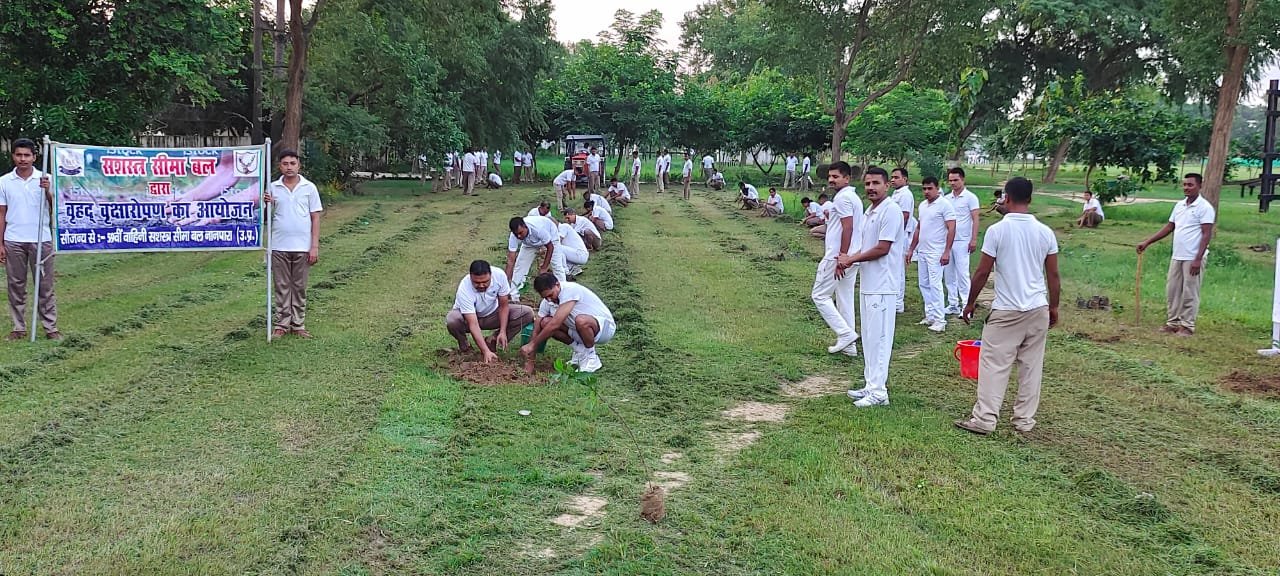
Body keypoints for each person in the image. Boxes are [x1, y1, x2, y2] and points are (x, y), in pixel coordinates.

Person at [954, 177, 1060, 435]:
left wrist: (970, 303)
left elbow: (982, 272)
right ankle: (1024, 421)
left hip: (1006, 310)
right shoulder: (1045, 232)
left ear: (1006, 198)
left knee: (994, 364)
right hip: (1038, 308)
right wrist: (1053, 307)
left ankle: (985, 419)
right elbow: (1053, 275)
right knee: (1031, 367)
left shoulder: (997, 231)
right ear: (1030, 199)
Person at [840, 167, 903, 407]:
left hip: (883, 286)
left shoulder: (891, 210)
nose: (871, 188)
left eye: (876, 183)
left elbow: (882, 248)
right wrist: (850, 258)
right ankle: (870, 385)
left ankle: (879, 392)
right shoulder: (870, 211)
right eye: (867, 184)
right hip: (869, 283)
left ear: (887, 185)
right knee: (869, 338)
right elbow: (867, 246)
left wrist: (851, 259)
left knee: (880, 339)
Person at [1136, 173, 1215, 336]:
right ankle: (1173, 322)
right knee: (1172, 290)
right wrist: (1147, 242)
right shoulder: (1179, 206)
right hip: (1177, 255)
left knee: (1190, 291)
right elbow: (1169, 227)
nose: (1186, 188)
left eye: (1190, 185)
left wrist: (1198, 259)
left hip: (1193, 257)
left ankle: (1187, 326)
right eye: (1184, 184)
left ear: (1200, 186)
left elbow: (1206, 234)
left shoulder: (1205, 207)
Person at [0, 138, 59, 341]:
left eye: (27, 155)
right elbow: (1, 213)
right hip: (14, 239)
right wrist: (1, 243)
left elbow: (57, 209)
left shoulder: (47, 179)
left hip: (41, 239)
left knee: (45, 285)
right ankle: (19, 327)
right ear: (13, 156)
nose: (22, 159)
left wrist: (48, 191)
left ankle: (50, 327)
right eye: (19, 155)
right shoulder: (4, 181)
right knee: (16, 285)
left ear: (34, 157)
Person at [264, 149, 323, 339]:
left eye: (292, 163)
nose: (289, 167)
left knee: (299, 286)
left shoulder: (309, 188)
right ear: (279, 166)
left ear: (299, 165)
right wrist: (267, 203)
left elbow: (315, 217)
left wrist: (314, 246)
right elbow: (265, 216)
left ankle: (298, 324)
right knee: (281, 286)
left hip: (302, 246)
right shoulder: (272, 188)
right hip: (279, 245)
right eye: (285, 164)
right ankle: (282, 324)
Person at [811, 161, 862, 357]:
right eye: (830, 177)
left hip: (838, 256)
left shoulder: (843, 198)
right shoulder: (852, 197)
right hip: (852, 255)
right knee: (844, 299)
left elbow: (848, 227)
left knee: (819, 295)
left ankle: (845, 333)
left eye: (836, 177)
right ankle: (849, 346)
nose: (831, 180)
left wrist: (842, 256)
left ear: (847, 178)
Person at [522, 272, 615, 373]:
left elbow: (555, 325)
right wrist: (530, 361)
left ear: (557, 285)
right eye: (545, 297)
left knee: (581, 321)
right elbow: (536, 330)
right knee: (545, 323)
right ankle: (580, 352)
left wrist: (532, 344)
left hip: (604, 330)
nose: (549, 299)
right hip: (578, 330)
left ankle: (592, 358)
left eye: (550, 295)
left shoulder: (570, 290)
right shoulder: (547, 302)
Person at [445, 260, 535, 363]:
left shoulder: (499, 276)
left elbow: (503, 306)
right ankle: (465, 346)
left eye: (485, 282)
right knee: (452, 319)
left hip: (493, 314)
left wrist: (502, 331)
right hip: (468, 319)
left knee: (527, 313)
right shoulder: (464, 288)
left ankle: (493, 340)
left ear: (491, 275)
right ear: (470, 277)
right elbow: (473, 324)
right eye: (477, 283)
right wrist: (485, 352)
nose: (481, 285)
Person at [907, 177, 956, 333]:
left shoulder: (945, 205)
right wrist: (911, 249)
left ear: (937, 188)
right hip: (923, 250)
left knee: (935, 285)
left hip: (936, 251)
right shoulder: (923, 205)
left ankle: (940, 320)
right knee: (924, 284)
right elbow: (919, 228)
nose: (926, 191)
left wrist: (947, 251)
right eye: (924, 188)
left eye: (930, 188)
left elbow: (952, 228)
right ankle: (930, 315)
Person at [944, 167, 980, 316]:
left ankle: (966, 305)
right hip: (948, 240)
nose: (952, 183)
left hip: (963, 240)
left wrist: (973, 239)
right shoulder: (946, 199)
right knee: (949, 274)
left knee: (962, 273)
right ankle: (953, 303)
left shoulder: (970, 197)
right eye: (950, 180)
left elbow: (975, 219)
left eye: (955, 180)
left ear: (962, 180)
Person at [505, 215, 567, 298]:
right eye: (516, 234)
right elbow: (510, 260)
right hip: (529, 243)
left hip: (551, 237)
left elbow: (550, 247)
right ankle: (514, 296)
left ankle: (564, 293)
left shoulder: (538, 229)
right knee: (520, 267)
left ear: (525, 226)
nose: (519, 236)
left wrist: (544, 267)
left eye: (520, 233)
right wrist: (505, 282)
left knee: (557, 266)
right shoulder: (514, 236)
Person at [890, 168, 916, 314]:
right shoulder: (896, 193)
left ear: (905, 179)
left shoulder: (905, 194)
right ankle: (894, 298)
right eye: (892, 177)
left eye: (896, 177)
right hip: (894, 235)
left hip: (900, 236)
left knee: (898, 269)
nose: (892, 180)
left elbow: (904, 216)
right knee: (893, 268)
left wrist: (896, 234)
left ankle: (898, 303)